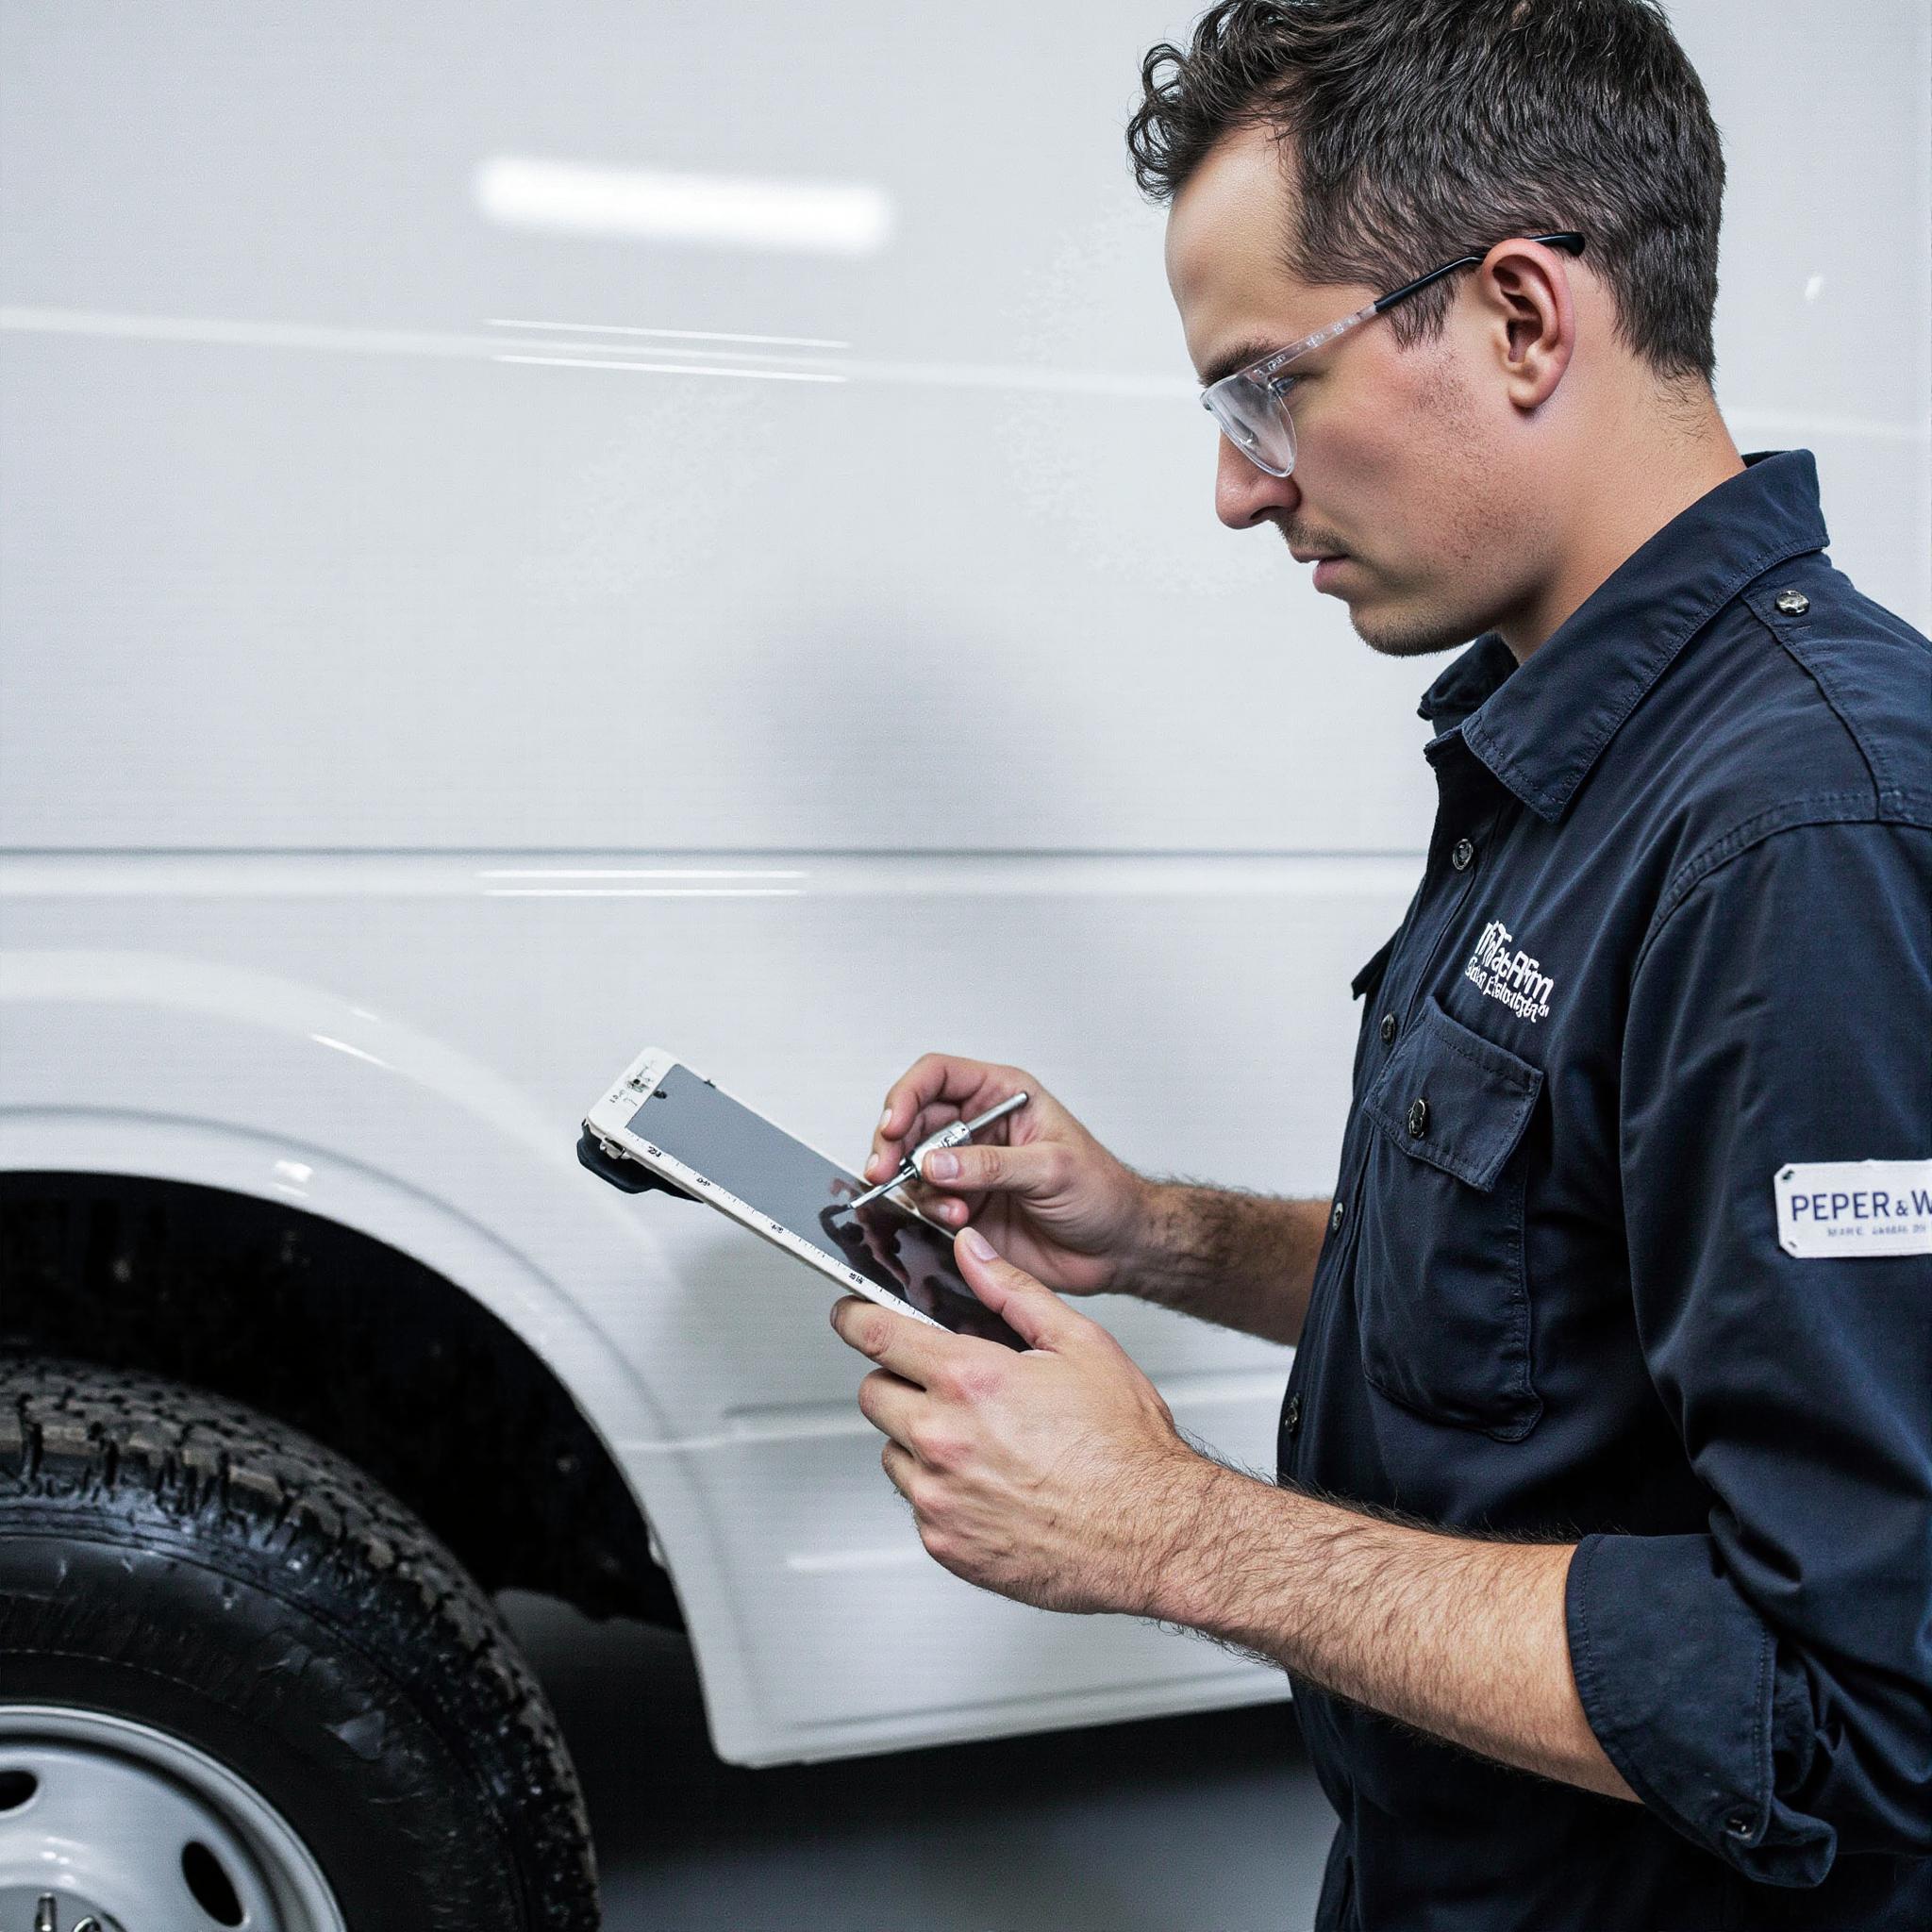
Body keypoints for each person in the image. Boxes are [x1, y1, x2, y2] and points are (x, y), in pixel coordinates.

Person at [829, 2, 1931, 1924]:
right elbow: (1568, 1313)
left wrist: (1167, 1531)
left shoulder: (1802, 838)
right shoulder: (1566, 745)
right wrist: (1154, 1229)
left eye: (1267, 389)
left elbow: (1853, 1703)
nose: (1241, 487)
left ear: (1518, 315)